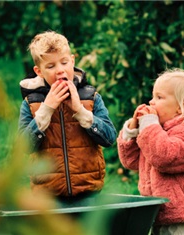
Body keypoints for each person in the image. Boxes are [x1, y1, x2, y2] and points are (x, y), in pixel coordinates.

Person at [18, 31, 117, 198]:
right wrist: (46, 109)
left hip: (89, 193)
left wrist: (80, 111)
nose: (60, 70)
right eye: (50, 66)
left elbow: (109, 138)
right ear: (39, 71)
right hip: (47, 197)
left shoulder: (90, 97)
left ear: (72, 61)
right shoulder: (31, 102)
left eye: (64, 62)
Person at [117, 68, 184, 235]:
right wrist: (132, 131)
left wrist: (149, 125)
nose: (151, 102)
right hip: (159, 216)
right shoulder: (155, 134)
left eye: (159, 97)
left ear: (181, 107)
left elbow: (164, 157)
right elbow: (131, 161)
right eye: (153, 96)